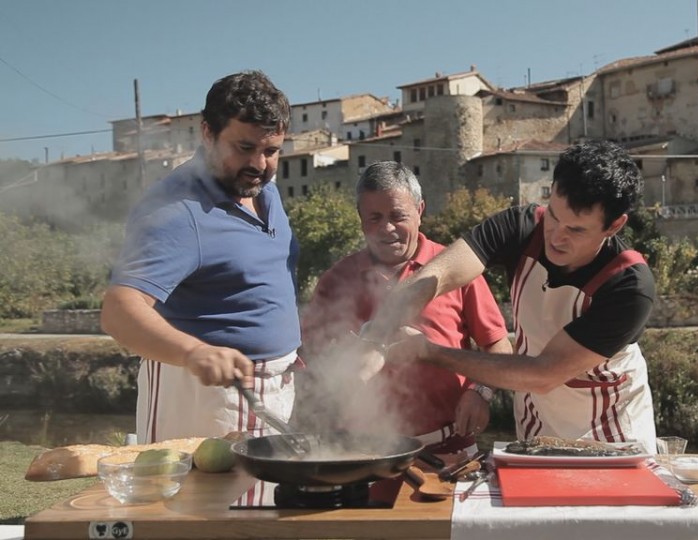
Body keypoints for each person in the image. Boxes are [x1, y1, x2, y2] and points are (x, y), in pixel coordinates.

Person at [360, 140, 658, 452]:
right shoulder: (519, 227)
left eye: (576, 230)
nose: (556, 237)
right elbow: (437, 276)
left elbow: (544, 374)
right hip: (536, 426)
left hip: (611, 436)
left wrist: (428, 351)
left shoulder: (628, 285)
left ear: (614, 225)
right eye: (553, 215)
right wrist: (377, 335)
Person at [101, 70, 301, 444]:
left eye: (271, 151)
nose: (259, 164)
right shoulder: (176, 210)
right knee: (194, 485)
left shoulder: (263, 191)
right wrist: (194, 352)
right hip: (201, 397)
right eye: (244, 147)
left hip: (268, 393)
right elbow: (118, 309)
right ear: (207, 133)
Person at [299, 161, 512, 456]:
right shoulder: (336, 280)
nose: (386, 228)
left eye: (397, 216)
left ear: (420, 210)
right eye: (374, 218)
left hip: (450, 449)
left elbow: (499, 346)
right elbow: (310, 356)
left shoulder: (457, 268)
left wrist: (481, 391)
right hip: (361, 452)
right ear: (360, 218)